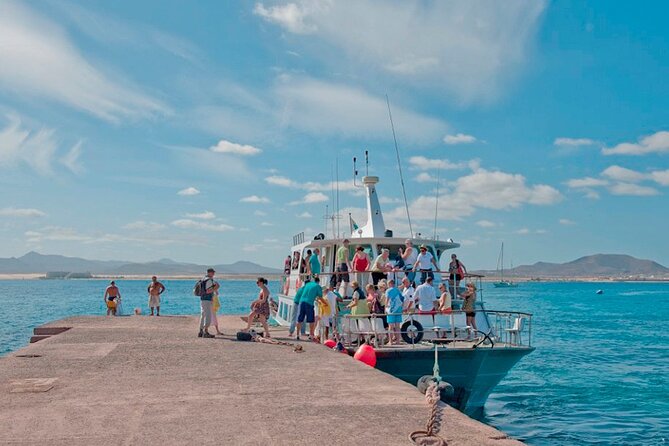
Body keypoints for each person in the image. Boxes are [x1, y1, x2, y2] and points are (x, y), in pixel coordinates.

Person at [297, 277, 325, 341]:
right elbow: (320, 297)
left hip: (301, 302)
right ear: (318, 281)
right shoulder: (318, 286)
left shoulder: (308, 284)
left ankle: (297, 334)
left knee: (300, 319)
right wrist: (325, 303)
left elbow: (306, 294)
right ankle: (311, 335)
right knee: (311, 320)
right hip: (309, 304)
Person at [198, 268, 219, 338]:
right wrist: (216, 288)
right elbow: (208, 291)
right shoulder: (209, 280)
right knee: (208, 316)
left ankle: (201, 331)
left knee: (203, 315)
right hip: (207, 299)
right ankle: (205, 332)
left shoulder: (203, 279)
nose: (213, 274)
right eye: (213, 273)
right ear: (209, 273)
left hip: (202, 299)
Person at [385, 279, 404, 345]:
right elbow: (402, 299)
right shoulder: (398, 290)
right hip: (398, 309)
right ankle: (398, 341)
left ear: (390, 284)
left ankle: (391, 341)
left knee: (391, 326)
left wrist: (385, 308)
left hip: (391, 310)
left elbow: (387, 300)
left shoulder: (388, 290)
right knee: (398, 326)